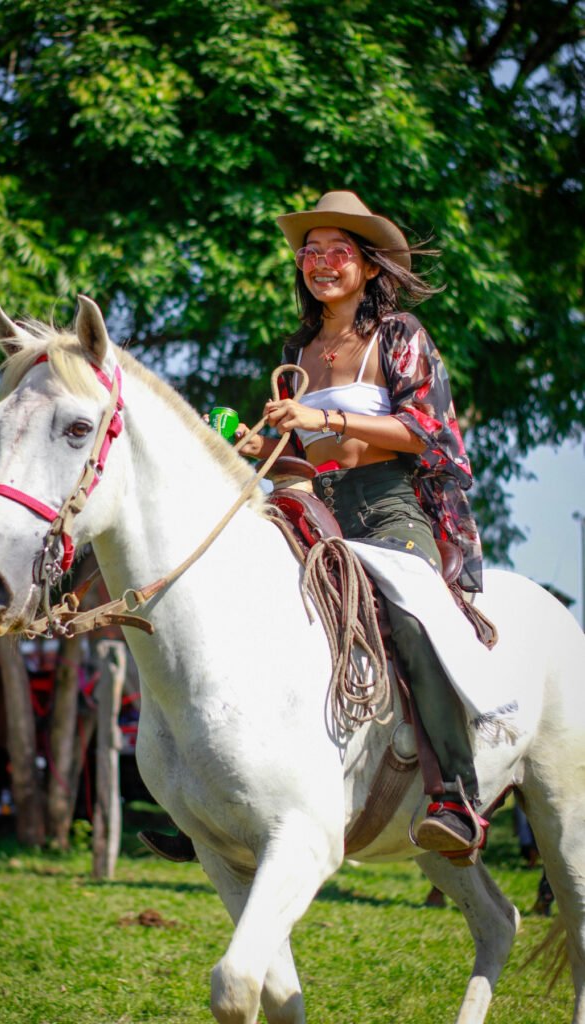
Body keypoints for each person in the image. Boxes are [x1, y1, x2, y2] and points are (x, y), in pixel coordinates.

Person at [141, 189, 485, 864]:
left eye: (337, 251)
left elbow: (428, 431)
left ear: (368, 264)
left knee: (413, 620)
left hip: (387, 505)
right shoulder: (298, 348)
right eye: (310, 251)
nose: (321, 263)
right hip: (310, 503)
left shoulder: (399, 335)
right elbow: (297, 452)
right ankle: (210, 795)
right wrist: (256, 443)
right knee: (233, 602)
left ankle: (455, 795)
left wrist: (322, 418)